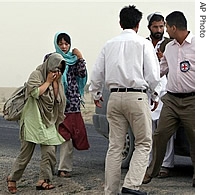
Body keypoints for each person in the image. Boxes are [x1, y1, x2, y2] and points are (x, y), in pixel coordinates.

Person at [89, 5, 161, 195]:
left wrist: (96, 94)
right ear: (138, 25)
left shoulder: (109, 44)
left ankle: (111, 191)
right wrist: (155, 94)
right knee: (144, 143)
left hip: (114, 97)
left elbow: (96, 74)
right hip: (136, 97)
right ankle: (131, 185)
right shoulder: (143, 44)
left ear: (120, 23)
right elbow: (153, 75)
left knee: (115, 147)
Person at [143, 11, 195, 187]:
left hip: (192, 100)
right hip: (171, 100)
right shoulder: (170, 47)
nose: (165, 30)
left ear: (173, 27)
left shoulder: (198, 46)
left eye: (166, 26)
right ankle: (152, 171)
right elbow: (160, 70)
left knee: (195, 138)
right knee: (160, 134)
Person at [7, 53, 67, 193]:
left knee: (50, 151)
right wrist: (47, 81)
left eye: (59, 69)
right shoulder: (36, 74)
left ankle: (44, 180)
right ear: (49, 65)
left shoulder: (58, 79)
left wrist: (56, 82)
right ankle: (12, 178)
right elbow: (34, 92)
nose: (56, 71)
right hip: (32, 119)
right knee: (26, 153)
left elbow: (58, 99)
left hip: (48, 119)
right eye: (55, 68)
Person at [44, 32, 89, 178]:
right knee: (51, 137)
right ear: (56, 44)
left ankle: (64, 168)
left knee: (67, 137)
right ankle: (47, 169)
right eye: (61, 43)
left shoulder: (74, 60)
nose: (64, 46)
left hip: (72, 105)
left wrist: (80, 57)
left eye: (66, 43)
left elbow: (82, 74)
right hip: (55, 104)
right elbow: (47, 77)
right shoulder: (50, 58)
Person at [146, 12, 174, 178]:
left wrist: (163, 58)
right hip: (150, 91)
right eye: (155, 27)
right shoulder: (144, 43)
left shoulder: (170, 43)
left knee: (166, 130)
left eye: (161, 26)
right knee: (149, 130)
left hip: (167, 91)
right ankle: (150, 162)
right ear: (149, 27)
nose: (159, 29)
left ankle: (166, 164)